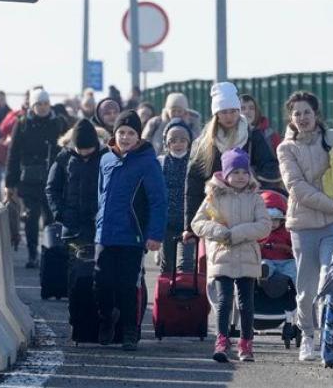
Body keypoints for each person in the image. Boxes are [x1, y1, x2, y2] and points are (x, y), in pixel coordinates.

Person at [276, 91, 333, 362]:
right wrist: (332, 204)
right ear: (290, 118)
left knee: (330, 279)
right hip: (303, 225)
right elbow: (296, 188)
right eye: (297, 113)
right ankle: (307, 335)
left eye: (307, 112)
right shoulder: (285, 148)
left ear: (316, 114)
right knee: (306, 289)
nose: (302, 118)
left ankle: (330, 337)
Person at [94, 110, 167, 351]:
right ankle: (105, 319)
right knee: (102, 282)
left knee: (127, 285)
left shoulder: (148, 162)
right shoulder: (105, 160)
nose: (125, 137)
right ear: (114, 134)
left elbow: (158, 200)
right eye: (121, 132)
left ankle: (129, 331)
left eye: (130, 133)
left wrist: (155, 234)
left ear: (139, 136)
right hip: (105, 234)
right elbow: (101, 196)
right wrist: (98, 223)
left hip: (132, 235)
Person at [191, 148, 271, 363]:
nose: (240, 177)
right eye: (235, 172)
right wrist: (218, 232)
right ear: (225, 174)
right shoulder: (213, 197)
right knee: (224, 301)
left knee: (246, 303)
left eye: (244, 172)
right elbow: (197, 223)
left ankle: (246, 343)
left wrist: (236, 234)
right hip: (221, 256)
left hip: (246, 256)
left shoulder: (255, 198)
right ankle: (222, 340)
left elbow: (264, 225)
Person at [184, 82, 280, 243]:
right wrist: (189, 227)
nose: (229, 116)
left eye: (233, 111)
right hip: (216, 215)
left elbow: (270, 169)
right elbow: (193, 183)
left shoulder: (252, 136)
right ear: (216, 114)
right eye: (223, 112)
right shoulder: (205, 143)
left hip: (247, 211)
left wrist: (250, 180)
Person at [5, 88, 67, 268]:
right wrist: (10, 183)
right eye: (39, 104)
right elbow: (13, 154)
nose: (43, 107)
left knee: (51, 218)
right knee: (31, 217)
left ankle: (49, 252)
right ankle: (33, 253)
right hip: (29, 180)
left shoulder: (59, 123)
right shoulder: (22, 123)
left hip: (53, 179)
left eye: (46, 103)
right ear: (33, 105)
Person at [45, 118, 108, 247]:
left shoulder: (106, 157)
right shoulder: (64, 157)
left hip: (99, 225)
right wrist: (60, 213)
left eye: (88, 150)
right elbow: (52, 188)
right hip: (72, 225)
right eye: (80, 150)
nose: (84, 153)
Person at [157, 117, 194, 273]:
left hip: (188, 221)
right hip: (167, 220)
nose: (178, 144)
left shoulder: (194, 162)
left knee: (186, 264)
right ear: (167, 143)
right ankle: (166, 294)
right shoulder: (161, 162)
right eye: (173, 141)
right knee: (167, 263)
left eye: (182, 140)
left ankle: (185, 294)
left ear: (188, 142)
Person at [258, 190, 296, 286]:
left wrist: (292, 250)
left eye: (275, 220)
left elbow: (293, 246)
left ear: (282, 220)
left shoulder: (286, 231)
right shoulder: (258, 233)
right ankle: (262, 275)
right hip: (268, 260)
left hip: (285, 261)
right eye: (268, 220)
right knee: (264, 264)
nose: (272, 224)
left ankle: (300, 290)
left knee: (294, 268)